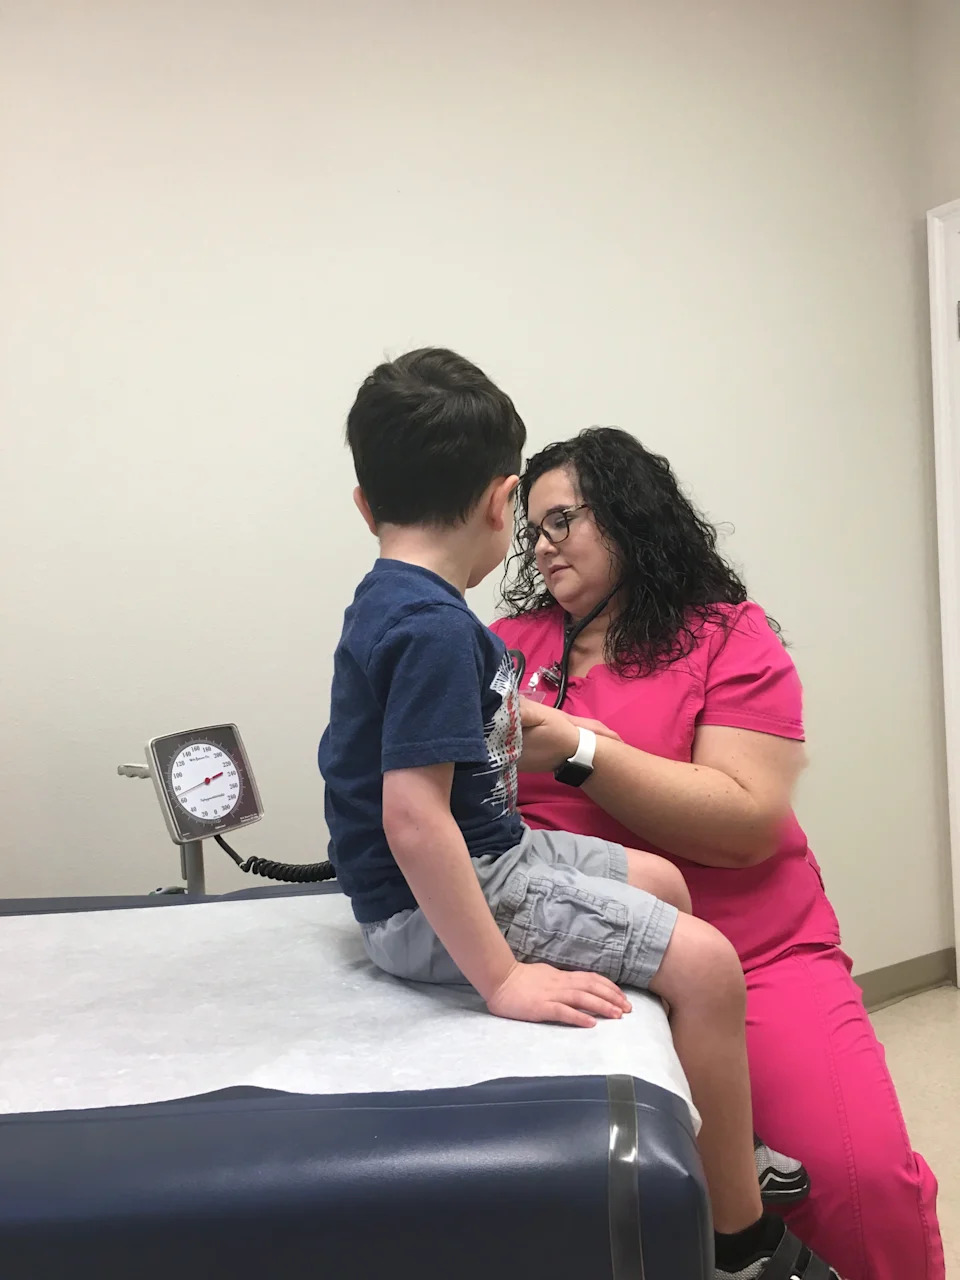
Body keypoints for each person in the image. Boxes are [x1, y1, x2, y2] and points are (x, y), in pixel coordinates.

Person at [319, 347, 846, 1280]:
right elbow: (413, 821)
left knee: (666, 881)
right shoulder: (440, 629)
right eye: (535, 521)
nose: (541, 544)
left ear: (366, 505)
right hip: (451, 893)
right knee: (711, 966)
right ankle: (739, 1238)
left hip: (496, 856)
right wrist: (502, 981)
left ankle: (711, 1129)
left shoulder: (397, 605)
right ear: (499, 500)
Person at [491, 426, 945, 1280]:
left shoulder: (726, 636)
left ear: (627, 517)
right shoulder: (510, 646)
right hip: (579, 955)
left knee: (855, 1184)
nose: (541, 545)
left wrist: (582, 753)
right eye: (531, 529)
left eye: (561, 521)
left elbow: (744, 821)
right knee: (571, 1203)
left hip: (756, 952)